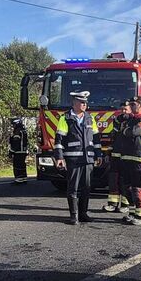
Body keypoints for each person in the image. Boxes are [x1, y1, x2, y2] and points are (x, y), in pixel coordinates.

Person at [54, 91, 101, 225]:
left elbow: (96, 138)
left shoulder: (90, 118)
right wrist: (59, 157)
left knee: (87, 187)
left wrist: (99, 154)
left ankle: (83, 213)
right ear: (74, 103)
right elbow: (59, 139)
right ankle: (74, 216)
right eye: (82, 102)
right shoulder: (65, 118)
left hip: (88, 159)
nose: (85, 105)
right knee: (73, 188)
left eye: (86, 102)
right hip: (73, 159)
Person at [119, 96, 141, 226]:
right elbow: (122, 131)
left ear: (140, 105)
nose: (131, 107)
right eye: (130, 105)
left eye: (134, 104)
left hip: (139, 159)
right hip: (126, 158)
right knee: (127, 188)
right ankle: (133, 212)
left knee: (138, 188)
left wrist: (126, 131)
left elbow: (134, 131)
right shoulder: (130, 119)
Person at [102, 102, 131, 213]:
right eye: (122, 109)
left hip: (127, 156)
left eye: (126, 109)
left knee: (125, 181)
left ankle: (125, 205)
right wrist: (108, 152)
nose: (124, 111)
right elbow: (113, 136)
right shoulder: (117, 120)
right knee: (113, 180)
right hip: (115, 154)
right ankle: (112, 204)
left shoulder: (133, 121)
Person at [8, 118, 29, 184]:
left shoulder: (17, 131)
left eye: (14, 124)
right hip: (24, 151)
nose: (13, 126)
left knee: (17, 165)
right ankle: (23, 178)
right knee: (22, 165)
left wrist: (11, 152)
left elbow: (15, 143)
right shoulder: (23, 131)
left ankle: (18, 179)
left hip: (18, 152)